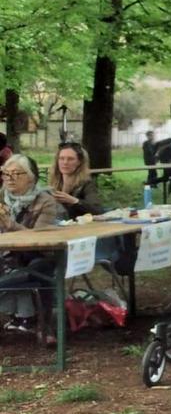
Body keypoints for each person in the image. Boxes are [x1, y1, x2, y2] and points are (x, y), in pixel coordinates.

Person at [0, 154, 63, 338]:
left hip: (37, 254)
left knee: (42, 268)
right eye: (6, 173)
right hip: (6, 254)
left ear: (30, 178)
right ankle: (25, 317)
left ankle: (46, 326)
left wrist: (10, 225)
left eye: (16, 174)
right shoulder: (1, 197)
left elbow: (40, 239)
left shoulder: (45, 201)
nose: (9, 179)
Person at [47, 142, 104, 219]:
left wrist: (74, 201)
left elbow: (97, 210)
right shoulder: (54, 182)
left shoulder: (87, 183)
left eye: (70, 159)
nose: (65, 162)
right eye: (61, 158)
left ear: (79, 162)